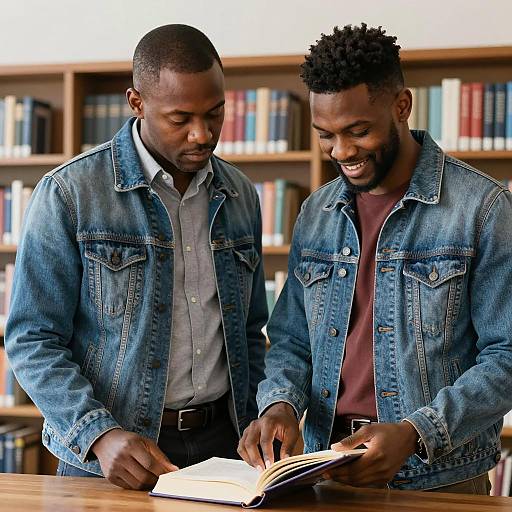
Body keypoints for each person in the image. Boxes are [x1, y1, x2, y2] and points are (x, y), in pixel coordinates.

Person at [238, 23, 512, 494]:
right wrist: (279, 404)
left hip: (438, 479)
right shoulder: (317, 212)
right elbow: (291, 339)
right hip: (326, 469)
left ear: (401, 106)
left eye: (358, 131)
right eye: (326, 135)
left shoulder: (482, 210)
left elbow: (507, 354)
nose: (341, 151)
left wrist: (415, 433)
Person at [5, 24, 267, 490]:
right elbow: (31, 337)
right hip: (112, 454)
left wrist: (261, 418)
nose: (202, 134)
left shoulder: (241, 194)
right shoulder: (70, 193)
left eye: (215, 113)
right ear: (137, 102)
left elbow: (248, 330)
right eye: (180, 118)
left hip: (224, 449)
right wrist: (98, 434)